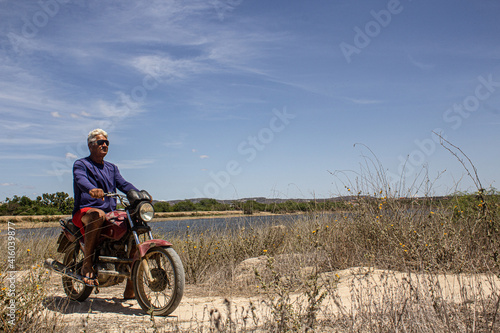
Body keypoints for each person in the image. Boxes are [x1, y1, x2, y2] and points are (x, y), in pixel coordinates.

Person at [72, 128, 138, 299]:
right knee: (98, 215)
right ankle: (87, 265)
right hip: (86, 211)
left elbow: (123, 183)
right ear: (90, 145)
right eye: (100, 142)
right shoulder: (81, 164)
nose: (104, 145)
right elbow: (81, 179)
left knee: (133, 220)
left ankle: (132, 284)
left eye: (106, 142)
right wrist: (91, 189)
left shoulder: (112, 168)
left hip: (110, 212)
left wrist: (140, 195)